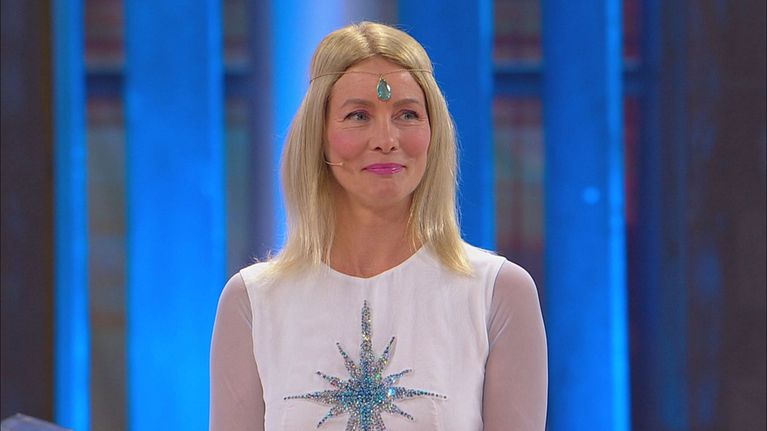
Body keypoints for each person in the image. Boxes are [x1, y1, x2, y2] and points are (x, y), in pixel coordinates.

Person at [210, 21, 547, 431]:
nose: (386, 139)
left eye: (407, 114)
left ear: (433, 132)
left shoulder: (498, 293)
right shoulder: (252, 301)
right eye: (358, 115)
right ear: (319, 135)